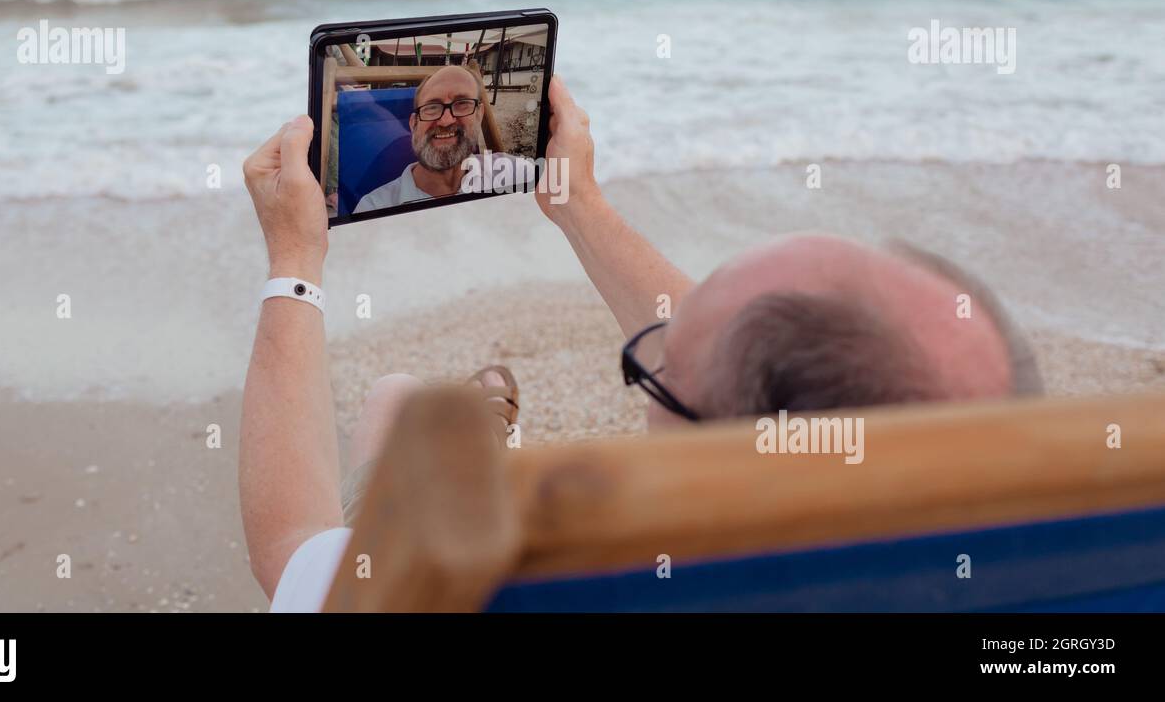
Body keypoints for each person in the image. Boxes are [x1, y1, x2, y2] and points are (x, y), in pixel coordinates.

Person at [241, 76, 1042, 611]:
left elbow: (289, 546)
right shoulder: (1027, 577)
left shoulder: (536, 587)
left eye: (658, 360)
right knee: (409, 408)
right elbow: (738, 383)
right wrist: (578, 203)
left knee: (397, 402)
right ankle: (480, 435)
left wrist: (294, 262)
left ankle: (478, 441)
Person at [352, 65, 534, 214]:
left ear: (480, 114)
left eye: (462, 103)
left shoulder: (512, 174)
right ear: (414, 123)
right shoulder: (374, 208)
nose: (446, 120)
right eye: (432, 107)